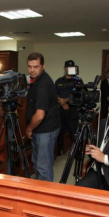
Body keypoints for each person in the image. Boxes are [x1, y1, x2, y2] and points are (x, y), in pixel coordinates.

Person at [26, 52, 61, 182]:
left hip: (45, 129)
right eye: (30, 66)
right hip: (40, 129)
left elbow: (40, 116)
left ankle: (45, 199)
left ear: (43, 66)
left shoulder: (43, 84)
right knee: (37, 164)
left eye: (36, 67)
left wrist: (29, 129)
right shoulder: (37, 80)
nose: (32, 70)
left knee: (43, 167)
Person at [55, 60, 84, 154]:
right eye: (68, 67)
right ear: (64, 68)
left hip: (73, 110)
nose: (69, 69)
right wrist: (62, 103)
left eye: (72, 67)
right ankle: (59, 151)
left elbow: (80, 95)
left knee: (74, 132)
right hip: (61, 110)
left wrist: (66, 100)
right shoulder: (59, 81)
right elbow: (55, 94)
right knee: (59, 131)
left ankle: (76, 152)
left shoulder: (78, 81)